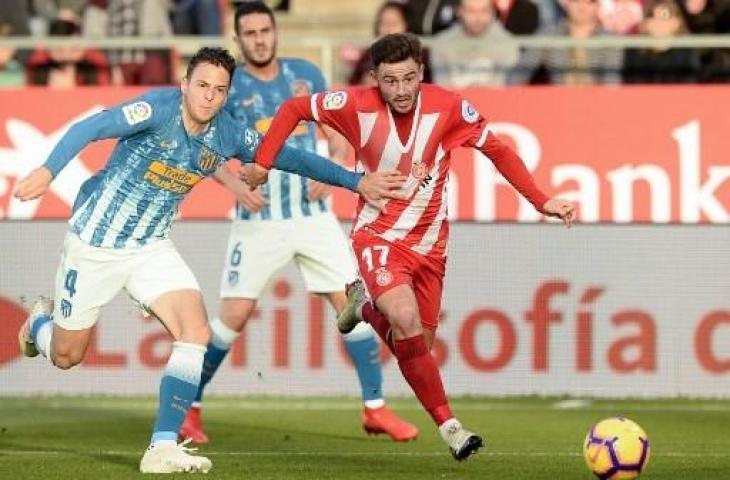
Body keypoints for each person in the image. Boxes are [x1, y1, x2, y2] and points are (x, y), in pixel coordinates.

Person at [14, 46, 406, 474]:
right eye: (201, 86)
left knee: (195, 330)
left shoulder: (230, 133)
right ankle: (38, 326)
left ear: (227, 96)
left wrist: (355, 181)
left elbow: (291, 157)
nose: (209, 97)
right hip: (95, 243)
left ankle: (162, 446)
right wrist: (48, 171)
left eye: (219, 90)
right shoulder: (156, 109)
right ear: (184, 85)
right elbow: (91, 126)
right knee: (68, 356)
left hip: (151, 247)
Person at [244, 33, 576, 461]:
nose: (400, 90)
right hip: (377, 232)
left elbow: (497, 149)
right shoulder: (353, 106)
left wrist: (541, 200)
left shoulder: (449, 108)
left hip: (431, 245)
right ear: (374, 79)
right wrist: (263, 163)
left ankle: (362, 305)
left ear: (421, 72)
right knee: (403, 317)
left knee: (417, 343)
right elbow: (293, 109)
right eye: (389, 81)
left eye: (408, 78)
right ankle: (451, 427)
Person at [179, 1, 418, 445]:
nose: (259, 39)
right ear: (238, 40)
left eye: (265, 30)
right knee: (231, 317)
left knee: (356, 306)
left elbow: (338, 130)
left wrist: (338, 161)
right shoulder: (228, 87)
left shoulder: (306, 72)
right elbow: (204, 145)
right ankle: (190, 410)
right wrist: (235, 186)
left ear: (276, 32)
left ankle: (375, 409)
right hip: (260, 220)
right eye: (249, 33)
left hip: (313, 218)